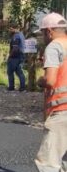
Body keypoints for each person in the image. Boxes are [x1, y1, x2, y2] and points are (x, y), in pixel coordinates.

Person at [34, 12, 67, 172]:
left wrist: (40, 80)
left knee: (48, 162)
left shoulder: (54, 46)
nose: (42, 37)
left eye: (42, 33)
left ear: (49, 31)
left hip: (62, 111)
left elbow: (50, 81)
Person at [7, 22, 26, 91]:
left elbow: (15, 48)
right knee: (19, 72)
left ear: (13, 29)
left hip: (14, 57)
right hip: (21, 56)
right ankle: (22, 87)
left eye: (10, 29)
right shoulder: (21, 34)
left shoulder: (16, 36)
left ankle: (11, 87)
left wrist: (10, 56)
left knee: (10, 72)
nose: (9, 30)